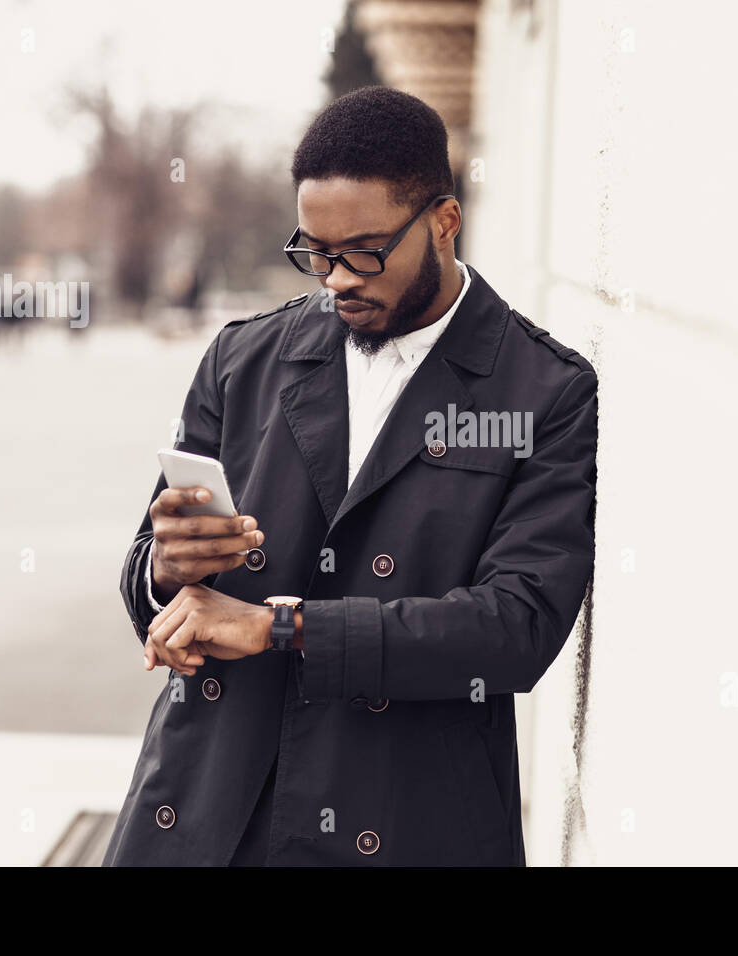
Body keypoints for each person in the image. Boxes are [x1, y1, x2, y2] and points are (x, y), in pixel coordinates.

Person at [103, 86, 598, 866]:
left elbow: (517, 627)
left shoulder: (544, 390)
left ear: (443, 222)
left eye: (364, 250)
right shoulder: (242, 360)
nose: (335, 278)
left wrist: (281, 627)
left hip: (407, 815)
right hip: (208, 808)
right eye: (316, 251)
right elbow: (147, 575)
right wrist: (166, 567)